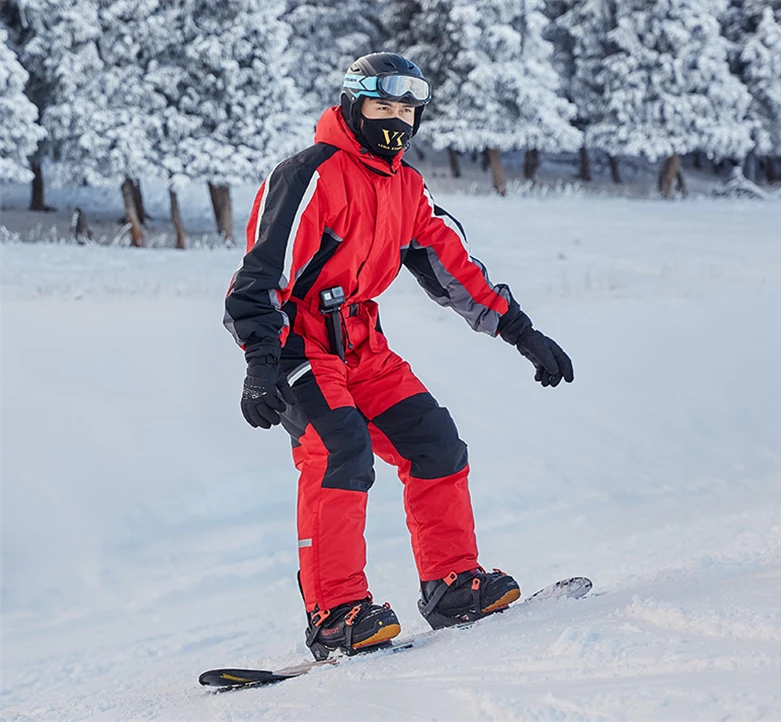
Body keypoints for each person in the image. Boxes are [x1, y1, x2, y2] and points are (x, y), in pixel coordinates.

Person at [224, 53, 574, 661]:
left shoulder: (405, 185)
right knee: (340, 450)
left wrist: (522, 333)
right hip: (297, 344)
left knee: (435, 443)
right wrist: (260, 361)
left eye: (407, 110)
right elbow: (258, 278)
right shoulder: (310, 174)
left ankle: (453, 586)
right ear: (354, 106)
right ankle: (336, 613)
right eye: (383, 107)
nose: (396, 120)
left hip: (363, 345)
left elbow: (454, 267)